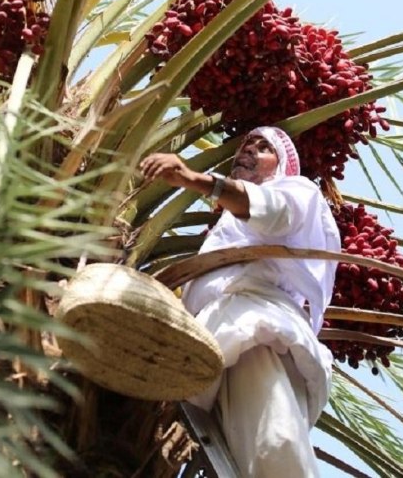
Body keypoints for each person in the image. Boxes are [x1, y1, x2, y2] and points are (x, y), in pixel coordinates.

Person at [139, 126, 340, 477]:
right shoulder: (228, 229)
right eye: (247, 144)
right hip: (212, 347)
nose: (249, 150)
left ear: (282, 167)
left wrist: (194, 179)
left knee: (275, 444)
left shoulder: (295, 191)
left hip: (257, 334)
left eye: (264, 148)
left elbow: (273, 211)